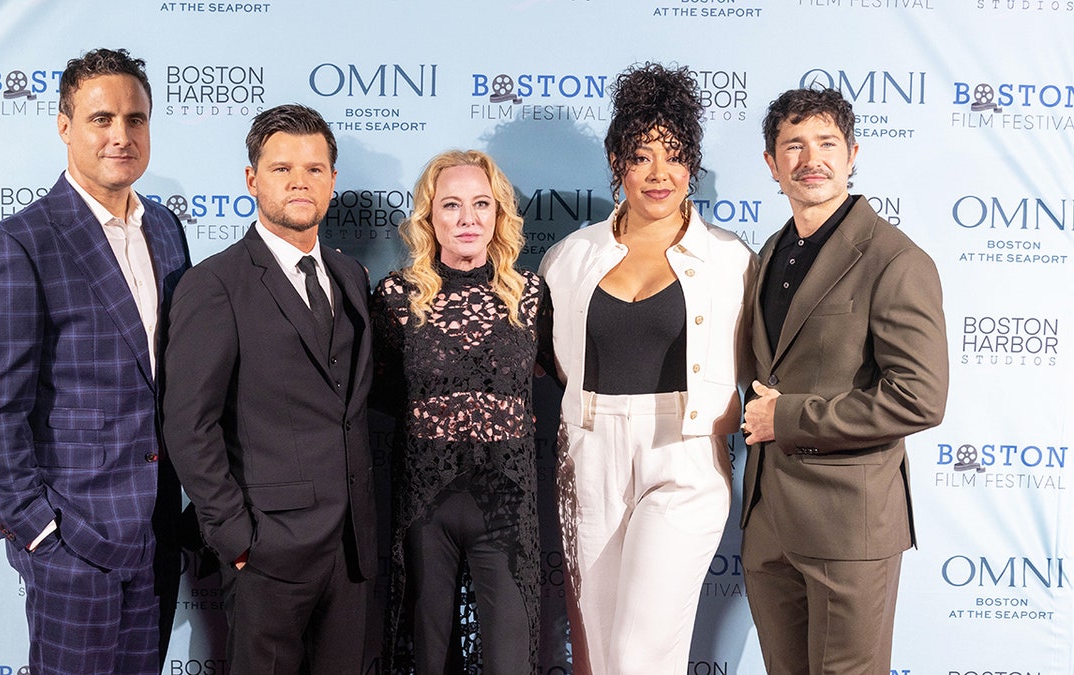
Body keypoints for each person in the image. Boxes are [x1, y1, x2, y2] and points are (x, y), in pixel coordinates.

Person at [0, 48, 190, 674]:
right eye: (102, 119)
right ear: (65, 126)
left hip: (156, 532)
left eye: (136, 119)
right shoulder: (20, 243)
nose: (122, 135)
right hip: (73, 536)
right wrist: (39, 532)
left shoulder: (167, 230)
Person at [539, 63, 756, 674]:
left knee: (641, 652)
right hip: (588, 452)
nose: (659, 174)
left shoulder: (731, 259)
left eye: (674, 155)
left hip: (685, 456)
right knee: (598, 652)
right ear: (616, 162)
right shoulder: (570, 257)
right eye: (641, 156)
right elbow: (554, 360)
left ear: (692, 164)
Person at [162, 103, 377, 675]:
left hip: (353, 550)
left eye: (314, 168)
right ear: (252, 179)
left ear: (333, 179)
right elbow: (189, 424)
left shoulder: (350, 275)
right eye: (282, 168)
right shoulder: (215, 284)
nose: (300, 182)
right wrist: (236, 538)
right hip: (267, 551)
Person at [739, 87, 949, 675]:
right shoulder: (771, 252)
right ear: (771, 163)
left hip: (849, 527)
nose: (812, 159)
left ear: (853, 153)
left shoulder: (895, 260)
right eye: (794, 146)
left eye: (827, 143)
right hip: (769, 523)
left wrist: (786, 417)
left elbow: (920, 398)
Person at [372, 149, 548, 674]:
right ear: (429, 216)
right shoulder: (397, 297)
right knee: (429, 657)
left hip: (508, 503)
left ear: (499, 215)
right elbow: (380, 394)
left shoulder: (530, 296)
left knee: (508, 659)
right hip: (424, 504)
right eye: (451, 205)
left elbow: (552, 378)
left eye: (480, 204)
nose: (467, 219)